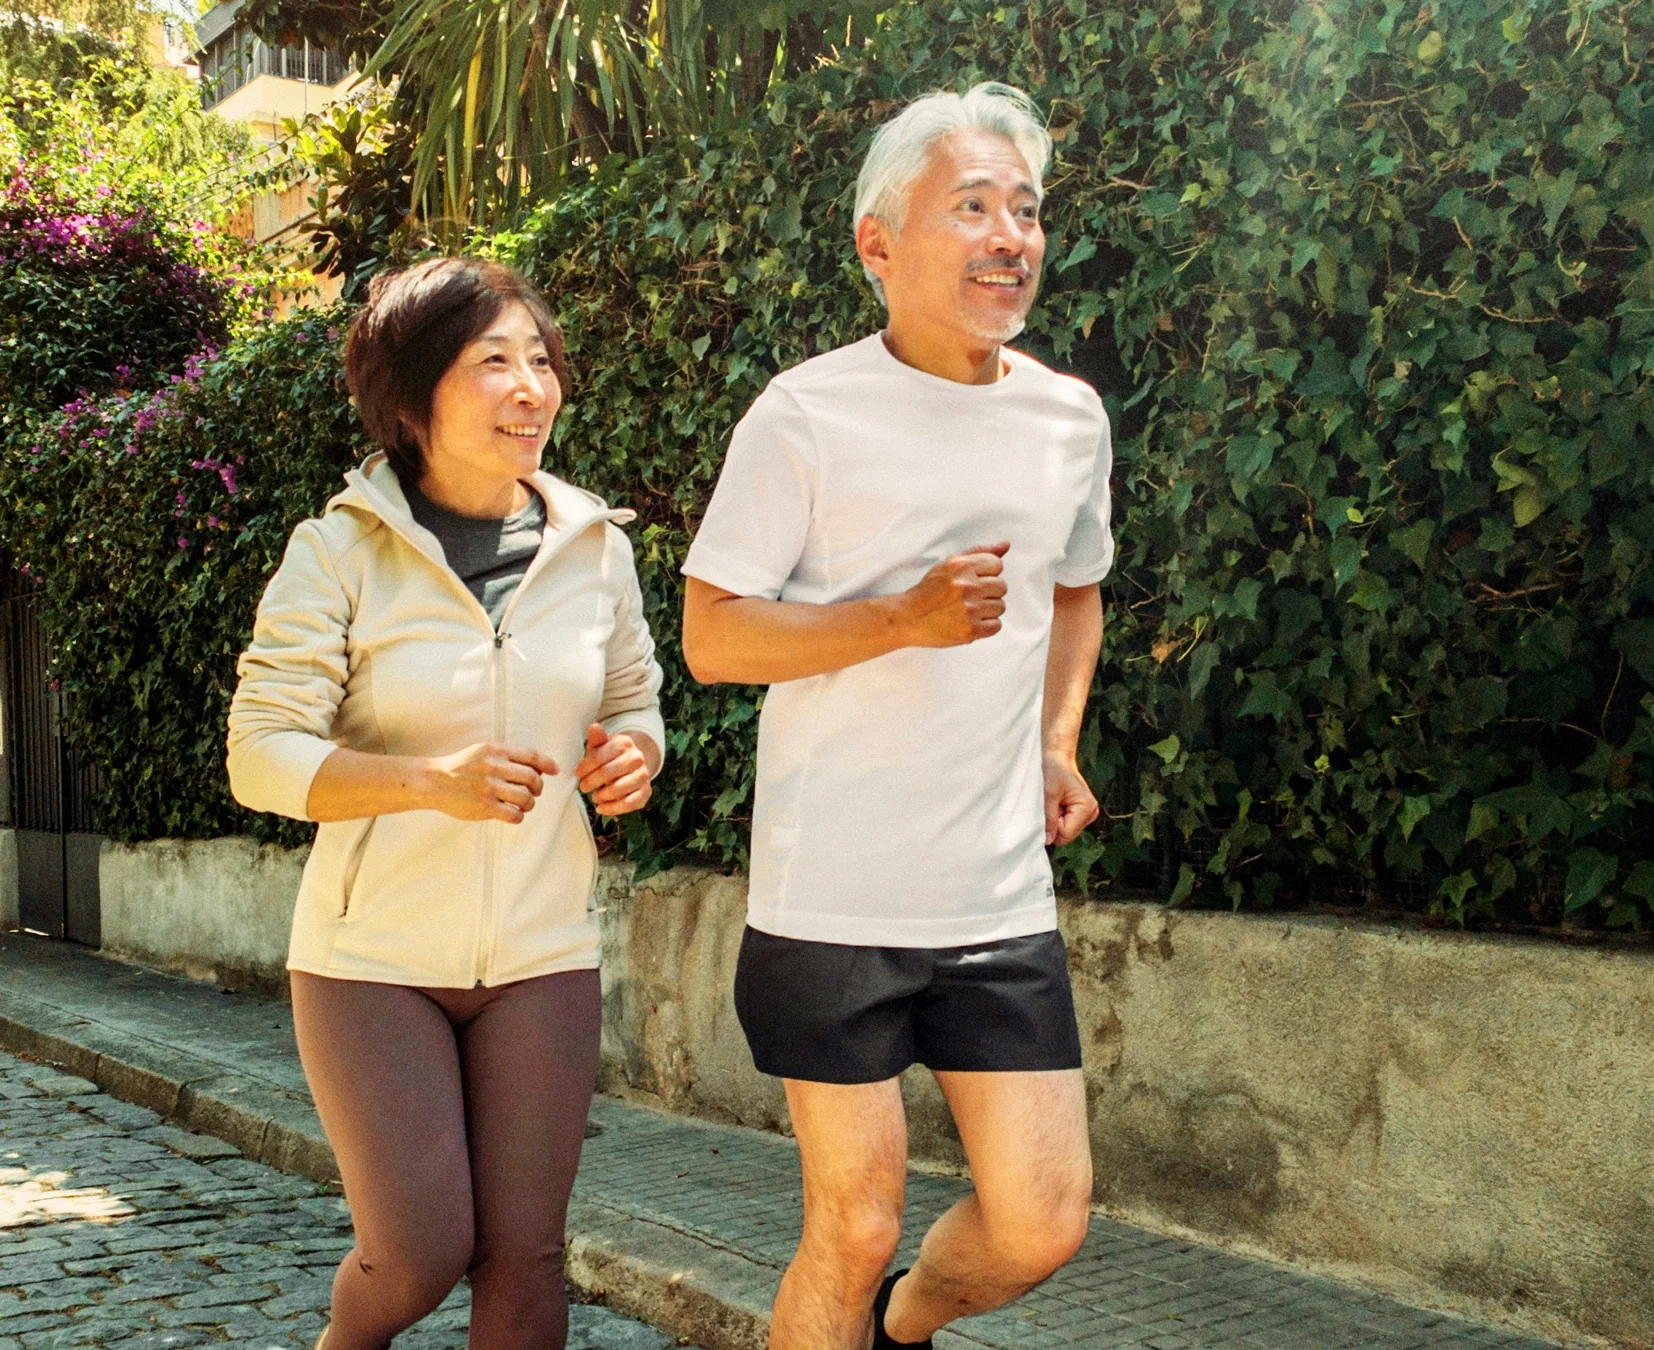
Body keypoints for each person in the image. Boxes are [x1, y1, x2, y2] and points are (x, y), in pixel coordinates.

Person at [680, 82, 1112, 1350]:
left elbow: (1076, 597)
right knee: (854, 1223)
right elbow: (713, 637)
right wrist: (900, 620)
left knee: (1043, 1221)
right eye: (970, 206)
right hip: (833, 902)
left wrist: (1054, 740)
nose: (1008, 236)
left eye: (1025, 211)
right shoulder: (805, 413)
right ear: (878, 243)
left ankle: (901, 1331)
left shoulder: (1066, 417)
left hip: (995, 903)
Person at [226, 257, 666, 1350]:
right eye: (494, 363)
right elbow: (260, 753)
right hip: (370, 960)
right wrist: (428, 785)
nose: (534, 387)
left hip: (542, 953)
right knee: (418, 1252)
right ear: (414, 398)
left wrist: (634, 761)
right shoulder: (338, 552)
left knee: (525, 1258)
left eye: (542, 361)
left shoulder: (596, 551)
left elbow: (634, 704)